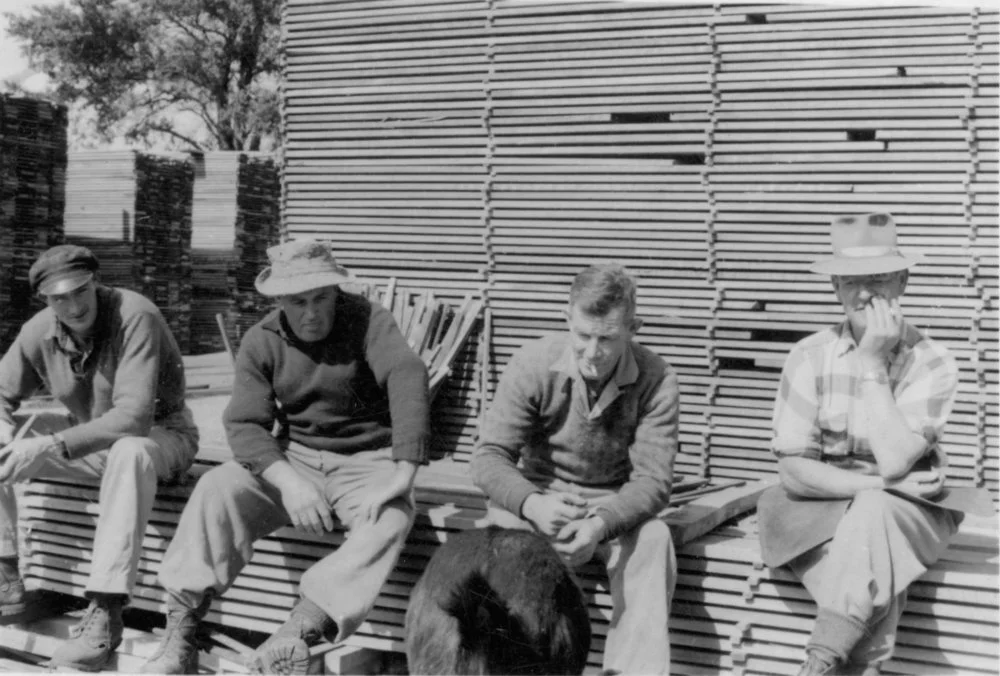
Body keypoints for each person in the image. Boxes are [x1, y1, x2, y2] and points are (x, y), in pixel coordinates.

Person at [141, 239, 431, 675]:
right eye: (298, 302)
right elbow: (244, 425)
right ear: (279, 300)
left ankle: (295, 635)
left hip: (366, 462)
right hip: (294, 459)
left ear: (337, 292)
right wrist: (291, 484)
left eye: (321, 298)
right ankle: (179, 633)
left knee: (391, 517)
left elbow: (407, 374)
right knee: (217, 487)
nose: (312, 313)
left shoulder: (369, 320)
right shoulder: (262, 341)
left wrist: (403, 470)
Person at [757, 212, 994, 676]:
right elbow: (794, 470)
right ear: (835, 288)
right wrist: (870, 489)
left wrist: (871, 365)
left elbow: (893, 455)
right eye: (851, 281)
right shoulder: (808, 356)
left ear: (902, 281)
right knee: (875, 569)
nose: (865, 293)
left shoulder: (933, 362)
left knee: (874, 523)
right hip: (818, 506)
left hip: (907, 511)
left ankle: (819, 662)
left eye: (879, 278)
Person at [471, 263, 680, 675]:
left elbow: (654, 482)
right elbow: (488, 458)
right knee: (499, 539)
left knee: (655, 540)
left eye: (608, 339)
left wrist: (601, 525)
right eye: (583, 336)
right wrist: (533, 505)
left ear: (633, 328)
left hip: (613, 503)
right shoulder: (532, 364)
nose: (592, 353)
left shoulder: (657, 378)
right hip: (539, 494)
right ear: (567, 319)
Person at [0, 244, 199, 670]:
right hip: (90, 444)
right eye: (58, 298)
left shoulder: (134, 315)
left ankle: (105, 610)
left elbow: (133, 418)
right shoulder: (41, 330)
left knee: (128, 451)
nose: (72, 306)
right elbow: (1, 391)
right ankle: (6, 572)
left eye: (80, 291)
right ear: (46, 300)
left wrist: (49, 445)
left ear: (96, 283)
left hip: (160, 438)